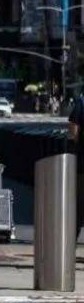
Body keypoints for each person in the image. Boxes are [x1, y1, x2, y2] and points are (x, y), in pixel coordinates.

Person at [67, 93, 84, 240]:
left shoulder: (82, 102)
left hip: (82, 163)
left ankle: (71, 241)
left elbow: (73, 131)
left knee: (78, 205)